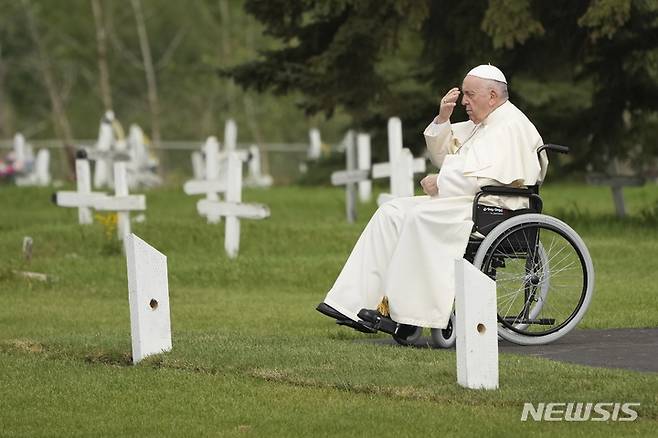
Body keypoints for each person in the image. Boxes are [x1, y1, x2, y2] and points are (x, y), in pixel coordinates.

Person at [316, 64, 548, 338]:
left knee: (418, 217)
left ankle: (403, 315)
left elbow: (489, 179)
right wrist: (442, 119)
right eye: (464, 95)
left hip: (496, 208)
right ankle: (352, 303)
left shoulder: (511, 125)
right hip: (471, 202)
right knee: (392, 211)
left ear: (493, 96)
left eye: (470, 95)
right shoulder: (484, 125)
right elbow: (447, 159)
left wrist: (440, 182)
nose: (464, 101)